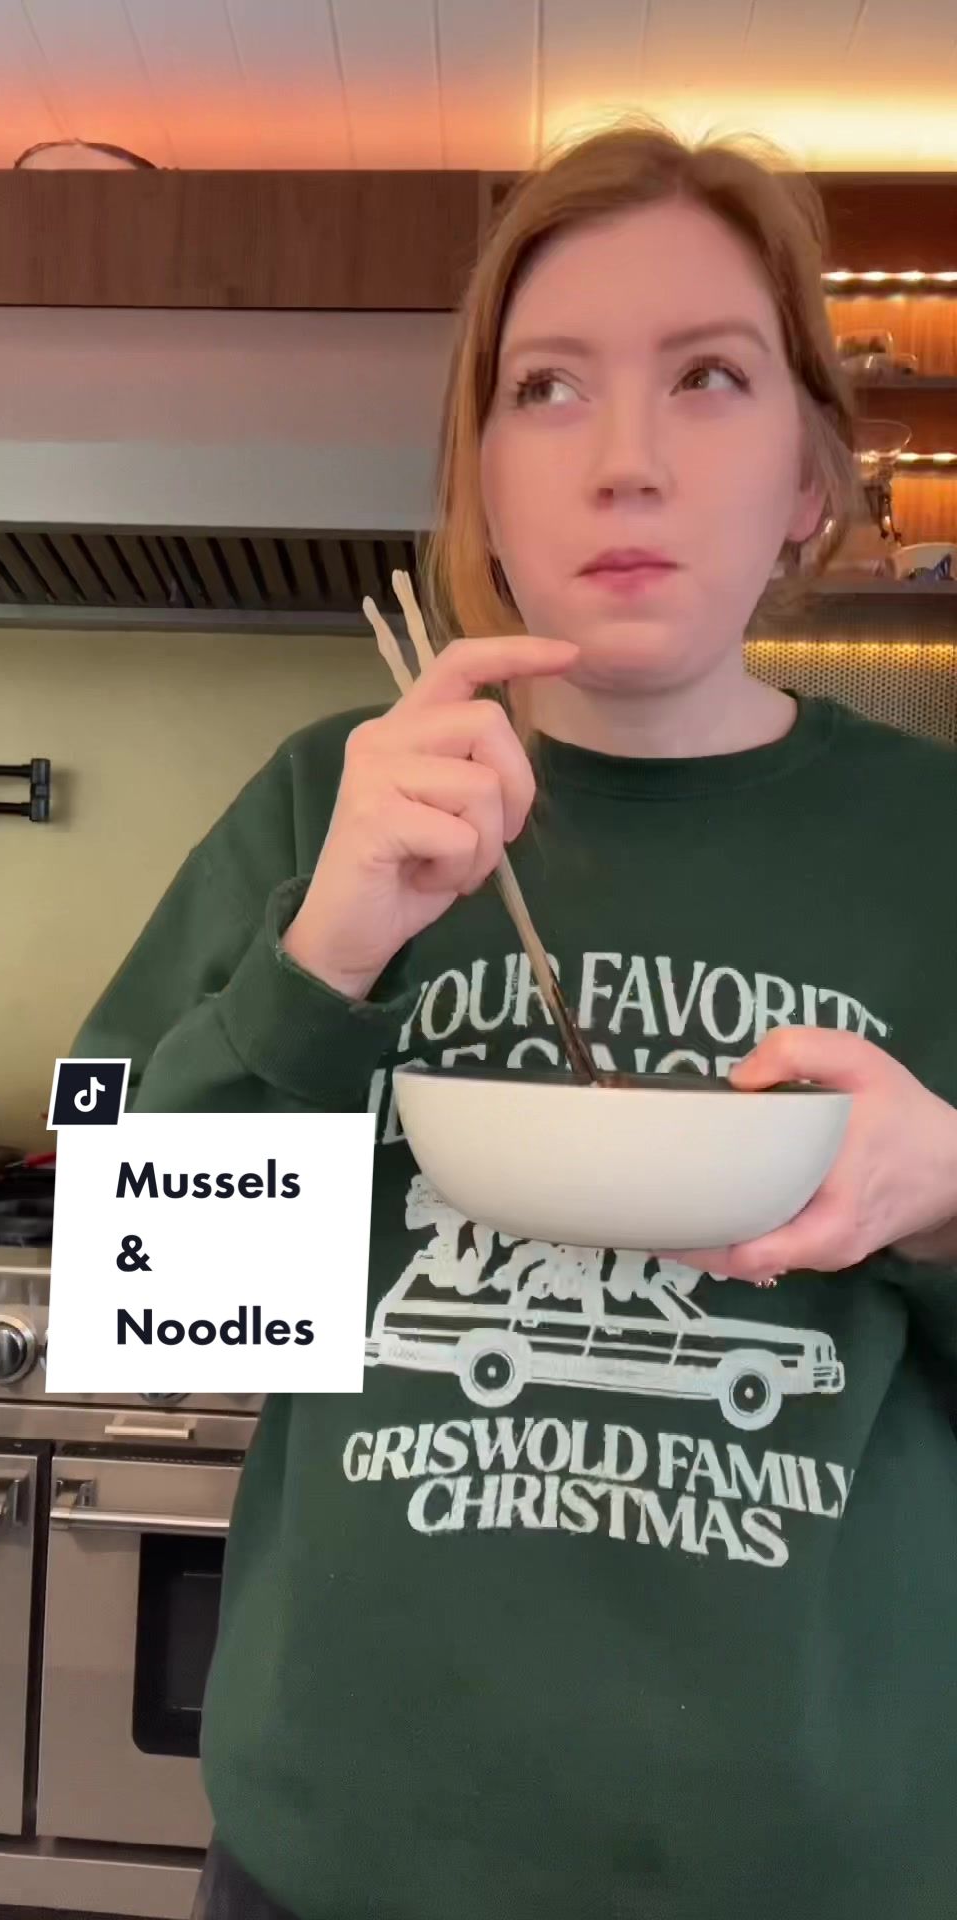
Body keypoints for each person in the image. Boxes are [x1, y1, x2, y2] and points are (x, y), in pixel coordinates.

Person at [69, 112, 957, 1920]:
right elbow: (147, 1308)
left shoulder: (929, 845)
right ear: (480, 484)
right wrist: (323, 959)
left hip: (810, 1874)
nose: (625, 461)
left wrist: (947, 1200)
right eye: (548, 389)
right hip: (336, 1860)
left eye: (709, 376)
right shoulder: (321, 803)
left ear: (810, 478)